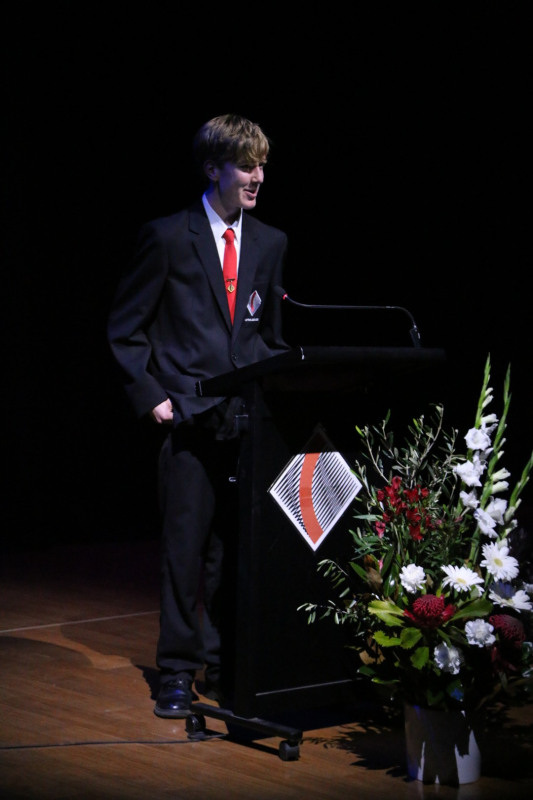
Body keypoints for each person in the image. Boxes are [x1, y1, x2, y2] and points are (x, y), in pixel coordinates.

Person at [107, 113, 289, 718]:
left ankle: (227, 665)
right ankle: (179, 672)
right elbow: (126, 328)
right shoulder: (167, 237)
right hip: (188, 418)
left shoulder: (270, 243)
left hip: (248, 423)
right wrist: (151, 395)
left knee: (232, 556)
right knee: (185, 552)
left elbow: (268, 336)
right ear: (213, 169)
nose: (257, 177)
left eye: (262, 166)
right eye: (246, 166)